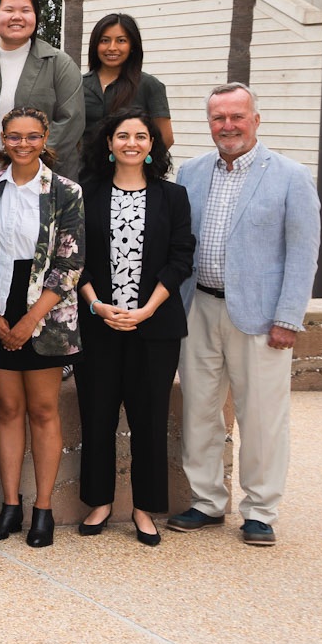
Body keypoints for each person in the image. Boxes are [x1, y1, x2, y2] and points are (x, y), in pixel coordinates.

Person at [168, 84, 320, 547]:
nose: (227, 126)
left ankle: (260, 510)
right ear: (209, 122)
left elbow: (303, 252)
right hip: (197, 309)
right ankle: (207, 501)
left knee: (262, 416)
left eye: (237, 116)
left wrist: (288, 318)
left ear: (256, 118)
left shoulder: (291, 176)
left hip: (260, 318)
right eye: (218, 118)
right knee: (198, 409)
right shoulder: (190, 173)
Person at [77, 110, 193, 546]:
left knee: (149, 420)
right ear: (108, 144)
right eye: (122, 135)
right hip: (99, 325)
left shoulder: (173, 197)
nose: (131, 142)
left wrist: (146, 310)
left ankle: (145, 508)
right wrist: (96, 305)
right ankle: (99, 501)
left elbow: (181, 257)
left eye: (140, 136)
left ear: (151, 146)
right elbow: (75, 257)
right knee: (97, 415)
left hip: (155, 328)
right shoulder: (85, 194)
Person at [0, 107, 85, 547]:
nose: (22, 144)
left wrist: (30, 318)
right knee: (6, 410)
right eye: (14, 136)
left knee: (43, 411)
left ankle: (43, 508)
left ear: (45, 139)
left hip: (46, 312)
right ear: (3, 139)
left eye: (32, 136)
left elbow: (70, 262)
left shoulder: (65, 191)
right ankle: (10, 504)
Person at [0, 0, 84, 181]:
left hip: (44, 180)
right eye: (8, 10)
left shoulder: (59, 64)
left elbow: (71, 121)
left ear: (36, 17)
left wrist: (25, 166)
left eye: (26, 10)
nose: (17, 17)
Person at [83, 13, 175, 171]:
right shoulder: (79, 84)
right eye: (104, 40)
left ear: (132, 46)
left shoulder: (149, 85)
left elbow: (165, 138)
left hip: (132, 177)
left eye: (121, 40)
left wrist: (135, 164)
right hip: (86, 177)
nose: (112, 47)